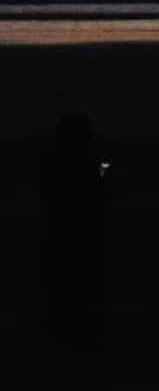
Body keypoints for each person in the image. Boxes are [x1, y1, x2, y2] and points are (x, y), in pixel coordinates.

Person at [37, 112, 109, 349]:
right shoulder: (87, 161)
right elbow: (98, 188)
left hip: (62, 231)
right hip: (79, 233)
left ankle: (63, 336)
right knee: (79, 287)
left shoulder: (53, 159)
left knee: (64, 287)